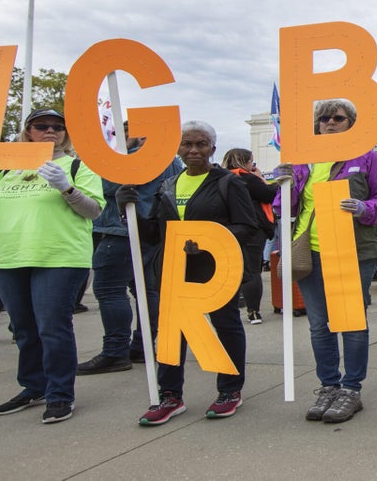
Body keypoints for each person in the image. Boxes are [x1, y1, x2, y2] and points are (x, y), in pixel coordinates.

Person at [0, 109, 105, 424]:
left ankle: (60, 394)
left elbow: (94, 211)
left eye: (58, 127)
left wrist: (67, 187)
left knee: (52, 328)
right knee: (23, 329)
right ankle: (33, 387)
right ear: (28, 131)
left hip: (59, 257)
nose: (51, 131)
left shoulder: (78, 165)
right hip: (10, 257)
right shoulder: (10, 171)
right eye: (42, 126)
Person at [125, 120, 258, 426]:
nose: (194, 150)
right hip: (174, 271)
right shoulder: (168, 185)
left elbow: (247, 226)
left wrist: (206, 241)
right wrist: (128, 210)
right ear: (178, 148)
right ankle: (170, 395)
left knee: (225, 327)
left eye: (201, 144)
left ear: (213, 148)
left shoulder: (227, 182)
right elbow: (156, 234)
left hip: (215, 270)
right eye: (187, 144)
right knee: (171, 334)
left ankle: (230, 391)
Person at [278, 99, 377, 424]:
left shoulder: (367, 159)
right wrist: (283, 185)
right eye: (324, 118)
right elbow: (283, 208)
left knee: (351, 322)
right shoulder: (303, 161)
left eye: (338, 118)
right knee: (319, 324)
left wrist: (363, 209)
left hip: (352, 250)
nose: (330, 123)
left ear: (351, 124)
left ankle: (351, 389)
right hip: (309, 251)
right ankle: (328, 385)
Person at [77, 130, 183, 375]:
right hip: (150, 231)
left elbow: (104, 184)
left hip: (122, 230)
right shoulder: (172, 162)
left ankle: (115, 351)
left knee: (109, 289)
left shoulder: (136, 157)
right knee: (147, 291)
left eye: (121, 133)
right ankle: (142, 344)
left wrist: (105, 162)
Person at [221, 148, 278, 325]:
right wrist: (261, 177)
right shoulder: (248, 179)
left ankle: (229, 307)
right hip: (252, 228)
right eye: (251, 162)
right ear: (244, 162)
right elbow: (269, 194)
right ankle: (253, 311)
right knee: (252, 269)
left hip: (226, 229)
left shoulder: (220, 178)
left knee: (230, 269)